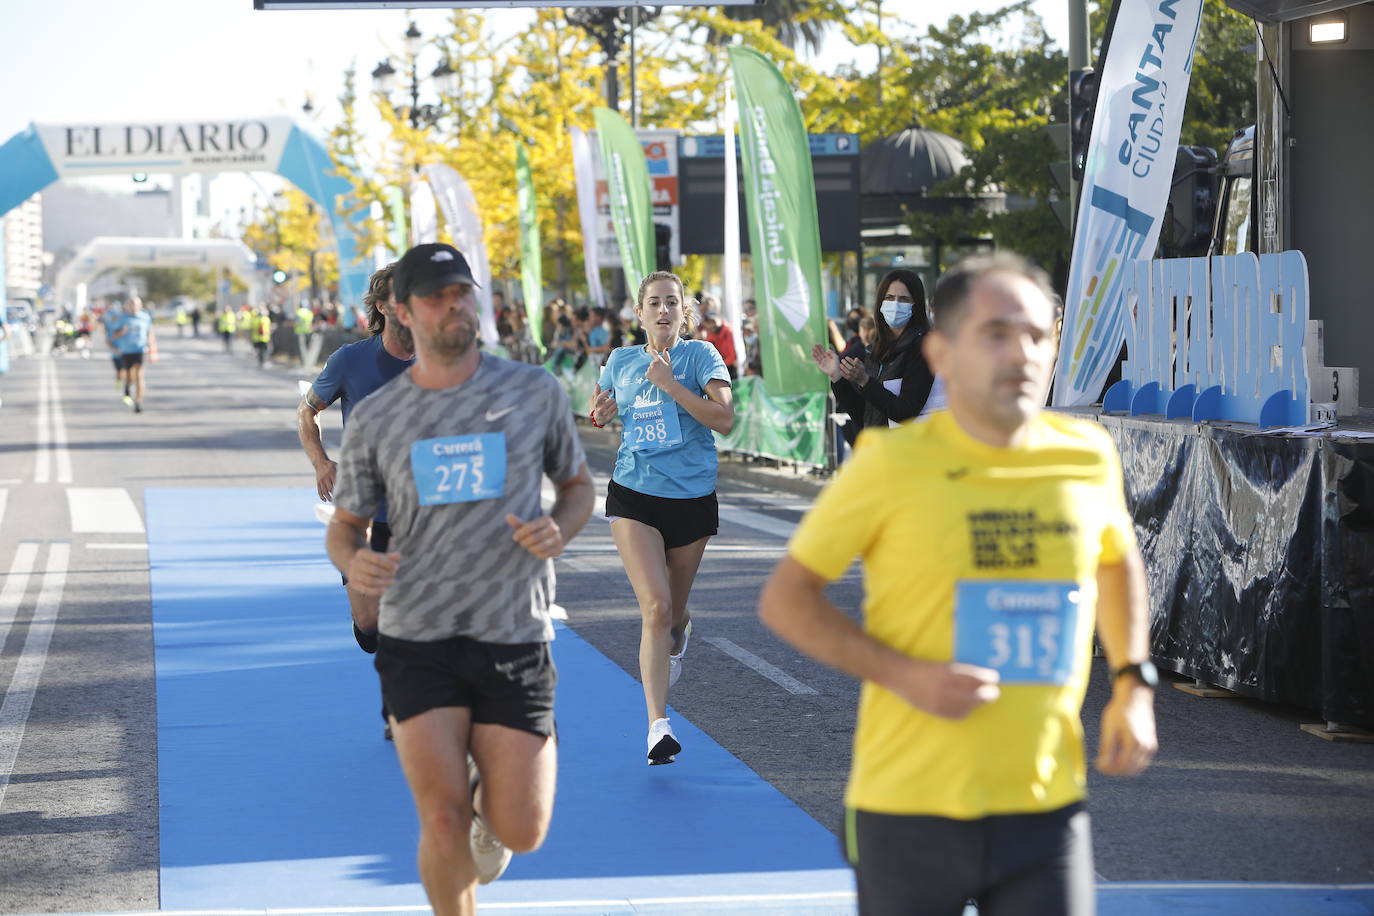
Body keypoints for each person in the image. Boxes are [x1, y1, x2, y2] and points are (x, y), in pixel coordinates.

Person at [760, 252, 1157, 916]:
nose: (1022, 354)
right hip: (909, 806)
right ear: (942, 353)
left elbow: (1116, 561)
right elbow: (786, 600)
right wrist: (907, 676)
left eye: (1037, 335)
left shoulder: (1086, 456)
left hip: (1045, 805)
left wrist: (1132, 681)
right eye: (995, 334)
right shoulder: (886, 465)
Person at [327, 242, 594, 913]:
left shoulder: (532, 391)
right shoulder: (379, 418)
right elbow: (344, 526)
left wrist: (561, 525)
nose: (452, 306)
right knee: (440, 823)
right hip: (418, 636)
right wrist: (352, 561)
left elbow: (578, 486)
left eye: (461, 293)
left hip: (513, 631)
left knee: (521, 832)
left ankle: (489, 796)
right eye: (434, 297)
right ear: (400, 312)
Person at [587, 271, 734, 765]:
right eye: (654, 303)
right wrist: (600, 413)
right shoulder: (621, 361)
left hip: (691, 498)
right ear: (640, 312)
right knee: (654, 608)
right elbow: (602, 408)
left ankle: (680, 629)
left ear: (683, 311)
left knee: (672, 615)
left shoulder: (701, 356)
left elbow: (724, 419)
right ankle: (658, 726)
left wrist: (671, 385)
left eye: (672, 302)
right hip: (634, 493)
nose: (663, 310)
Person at [299, 263, 415, 738]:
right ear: (384, 306)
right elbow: (308, 412)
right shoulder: (350, 360)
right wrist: (322, 462)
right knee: (370, 624)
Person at [811, 269, 937, 445]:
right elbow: (865, 416)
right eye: (890, 297)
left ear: (915, 304)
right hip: (880, 454)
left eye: (904, 299)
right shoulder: (876, 350)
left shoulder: (923, 348)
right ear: (880, 302)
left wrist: (865, 381)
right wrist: (837, 378)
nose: (895, 304)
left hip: (911, 456)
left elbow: (906, 413)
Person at [111, 297, 152, 413]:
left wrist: (151, 346)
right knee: (129, 376)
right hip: (126, 351)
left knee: (139, 375)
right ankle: (127, 389)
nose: (133, 307)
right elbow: (113, 335)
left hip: (140, 350)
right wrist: (121, 332)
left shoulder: (145, 317)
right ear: (127, 306)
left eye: (135, 304)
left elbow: (150, 332)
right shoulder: (122, 318)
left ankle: (138, 402)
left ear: (140, 306)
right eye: (131, 304)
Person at [696, 301, 739, 379]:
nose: (711, 325)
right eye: (709, 322)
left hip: (730, 368)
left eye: (713, 321)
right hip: (722, 366)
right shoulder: (713, 333)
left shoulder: (728, 331)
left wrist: (718, 366)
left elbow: (732, 356)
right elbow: (706, 348)